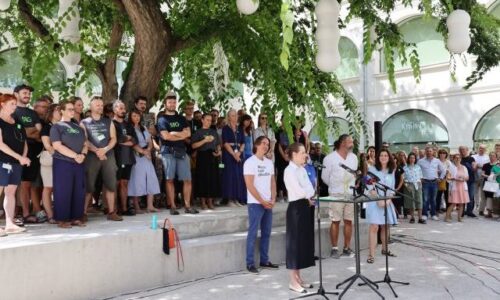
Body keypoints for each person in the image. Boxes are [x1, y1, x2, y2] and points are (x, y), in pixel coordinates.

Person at [157, 91, 198, 215]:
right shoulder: (162, 119)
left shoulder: (181, 118)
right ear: (165, 104)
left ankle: (187, 206)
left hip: (181, 151)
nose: (172, 104)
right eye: (170, 102)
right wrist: (180, 135)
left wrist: (174, 134)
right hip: (168, 152)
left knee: (187, 179)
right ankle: (173, 206)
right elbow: (166, 137)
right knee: (170, 179)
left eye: (174, 102)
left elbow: (188, 134)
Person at [81, 96, 121, 221]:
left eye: (101, 104)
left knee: (111, 184)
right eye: (97, 105)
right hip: (92, 156)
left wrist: (105, 149)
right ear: (91, 107)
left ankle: (111, 212)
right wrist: (97, 150)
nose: (100, 107)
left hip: (108, 154)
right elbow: (84, 140)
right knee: (89, 185)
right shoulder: (84, 122)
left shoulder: (108, 121)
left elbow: (113, 138)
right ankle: (83, 213)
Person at [243, 136, 278, 274]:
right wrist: (262, 201)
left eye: (268, 144)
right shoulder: (250, 162)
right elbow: (250, 185)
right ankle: (250, 263)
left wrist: (273, 198)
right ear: (256, 145)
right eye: (263, 143)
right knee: (253, 233)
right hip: (255, 203)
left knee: (267, 233)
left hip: (268, 203)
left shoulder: (269, 163)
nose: (266, 146)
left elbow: (272, 182)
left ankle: (264, 260)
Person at [284, 142, 316, 293]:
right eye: (302, 152)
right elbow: (297, 190)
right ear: (294, 155)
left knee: (303, 243)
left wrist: (309, 195)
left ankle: (299, 278)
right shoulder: (289, 171)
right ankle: (292, 281)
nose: (306, 155)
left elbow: (310, 186)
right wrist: (307, 195)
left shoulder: (302, 169)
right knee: (294, 244)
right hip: (296, 207)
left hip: (306, 205)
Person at [50, 100, 88, 228]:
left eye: (73, 109)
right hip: (63, 163)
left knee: (79, 190)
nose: (73, 111)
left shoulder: (78, 127)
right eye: (70, 109)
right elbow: (57, 146)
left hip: (79, 163)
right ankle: (63, 219)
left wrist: (82, 155)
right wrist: (75, 156)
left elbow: (85, 144)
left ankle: (76, 217)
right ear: (62, 111)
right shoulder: (56, 127)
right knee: (63, 190)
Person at [321, 134, 357, 258]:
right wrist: (335, 187)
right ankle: (334, 248)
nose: (352, 143)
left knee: (349, 221)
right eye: (350, 141)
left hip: (350, 194)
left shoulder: (354, 158)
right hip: (336, 194)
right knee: (335, 220)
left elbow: (354, 175)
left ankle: (347, 248)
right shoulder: (329, 158)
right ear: (342, 143)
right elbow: (325, 177)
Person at [0, 94, 29, 236]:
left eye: (15, 104)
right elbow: (1, 145)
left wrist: (23, 157)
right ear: (2, 104)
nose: (14, 106)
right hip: (2, 161)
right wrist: (19, 157)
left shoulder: (17, 121)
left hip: (16, 163)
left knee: (10, 192)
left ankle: (9, 223)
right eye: (12, 103)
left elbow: (24, 142)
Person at [13, 84, 42, 225]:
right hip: (17, 152)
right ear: (16, 94)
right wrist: (29, 132)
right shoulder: (13, 111)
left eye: (29, 93)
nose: (27, 95)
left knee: (26, 184)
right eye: (24, 93)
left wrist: (27, 131)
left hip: (33, 153)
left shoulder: (33, 113)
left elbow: (39, 132)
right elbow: (18, 133)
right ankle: (16, 215)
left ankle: (25, 214)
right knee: (12, 185)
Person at [366, 149, 398, 263]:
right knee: (374, 227)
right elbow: (369, 186)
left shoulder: (391, 171)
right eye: (381, 155)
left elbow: (392, 188)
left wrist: (388, 200)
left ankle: (385, 249)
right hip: (375, 202)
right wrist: (378, 200)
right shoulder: (372, 169)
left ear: (389, 157)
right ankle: (371, 255)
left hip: (387, 201)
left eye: (386, 155)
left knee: (385, 226)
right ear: (378, 157)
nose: (383, 157)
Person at [127, 109, 160, 213]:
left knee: (151, 179)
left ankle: (150, 205)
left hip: (147, 156)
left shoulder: (144, 128)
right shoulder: (130, 129)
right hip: (137, 156)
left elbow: (150, 141)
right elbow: (132, 143)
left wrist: (149, 150)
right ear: (130, 117)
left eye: (138, 116)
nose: (136, 118)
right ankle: (136, 206)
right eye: (134, 116)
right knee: (137, 180)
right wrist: (144, 152)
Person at [191, 113, 221, 210]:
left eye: (210, 120)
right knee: (202, 179)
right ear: (202, 120)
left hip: (212, 156)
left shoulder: (213, 132)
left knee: (212, 179)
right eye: (207, 120)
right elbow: (193, 146)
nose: (209, 122)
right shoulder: (198, 132)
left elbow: (218, 144)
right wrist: (204, 140)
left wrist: (218, 151)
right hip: (202, 156)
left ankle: (210, 201)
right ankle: (203, 202)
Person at [113, 100, 137, 215]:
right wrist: (126, 139)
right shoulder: (111, 124)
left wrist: (125, 139)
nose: (123, 110)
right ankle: (113, 209)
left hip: (128, 159)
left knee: (124, 183)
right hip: (116, 158)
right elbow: (115, 140)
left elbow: (134, 140)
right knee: (115, 183)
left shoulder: (128, 125)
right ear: (114, 110)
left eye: (124, 108)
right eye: (120, 108)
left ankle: (124, 209)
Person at [40, 104, 61, 224]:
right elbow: (47, 145)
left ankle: (60, 213)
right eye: (57, 110)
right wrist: (60, 155)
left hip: (63, 160)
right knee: (48, 187)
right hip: (50, 159)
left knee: (60, 188)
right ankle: (50, 215)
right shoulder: (46, 127)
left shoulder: (65, 126)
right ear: (51, 113)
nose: (60, 112)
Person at [221, 109, 246, 206]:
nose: (234, 117)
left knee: (238, 176)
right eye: (232, 115)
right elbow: (225, 143)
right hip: (229, 155)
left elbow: (243, 142)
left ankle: (237, 198)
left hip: (239, 154)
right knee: (230, 176)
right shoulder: (225, 128)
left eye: (235, 115)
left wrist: (239, 152)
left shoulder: (240, 128)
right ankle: (230, 199)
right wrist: (233, 154)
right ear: (228, 117)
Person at [417, 146, 446, 221]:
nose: (429, 152)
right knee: (425, 199)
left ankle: (433, 214)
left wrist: (440, 178)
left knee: (433, 199)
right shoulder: (420, 161)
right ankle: (424, 214)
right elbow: (417, 171)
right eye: (427, 151)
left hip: (434, 182)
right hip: (425, 182)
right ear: (425, 152)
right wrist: (420, 178)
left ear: (433, 152)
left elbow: (443, 170)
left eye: (430, 151)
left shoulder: (437, 161)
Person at [445, 154, 470, 222]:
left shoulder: (464, 167)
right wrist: (456, 179)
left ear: (461, 159)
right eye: (456, 158)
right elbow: (448, 178)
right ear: (453, 159)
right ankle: (446, 217)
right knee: (453, 203)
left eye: (459, 158)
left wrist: (463, 179)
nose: (457, 159)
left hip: (463, 187)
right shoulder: (451, 167)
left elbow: (467, 177)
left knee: (462, 203)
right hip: (455, 187)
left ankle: (459, 218)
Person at [403, 152, 423, 223]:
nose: (412, 159)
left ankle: (420, 218)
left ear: (415, 159)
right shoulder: (405, 167)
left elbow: (421, 177)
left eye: (413, 158)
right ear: (408, 158)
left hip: (418, 184)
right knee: (411, 202)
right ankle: (412, 217)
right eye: (411, 158)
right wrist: (407, 186)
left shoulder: (418, 167)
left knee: (419, 201)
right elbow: (403, 179)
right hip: (409, 184)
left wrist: (420, 185)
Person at [459, 146, 477, 217]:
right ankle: (462, 211)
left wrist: (474, 166)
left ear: (467, 150)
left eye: (463, 149)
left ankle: (469, 211)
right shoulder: (459, 158)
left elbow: (474, 169)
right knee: (462, 196)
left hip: (471, 180)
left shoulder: (471, 158)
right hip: (461, 181)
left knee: (471, 196)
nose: (462, 151)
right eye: (461, 150)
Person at [472, 144, 489, 216]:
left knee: (483, 194)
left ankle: (481, 209)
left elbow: (486, 166)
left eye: (483, 148)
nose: (481, 149)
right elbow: (473, 165)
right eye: (480, 148)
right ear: (478, 148)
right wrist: (479, 165)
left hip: (483, 178)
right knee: (474, 193)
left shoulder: (487, 157)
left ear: (485, 150)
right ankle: (476, 206)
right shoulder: (473, 156)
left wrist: (479, 165)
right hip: (474, 177)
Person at [481, 152, 499, 218]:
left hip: (497, 183)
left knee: (496, 197)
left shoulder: (498, 164)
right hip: (488, 183)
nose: (491, 157)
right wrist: (489, 176)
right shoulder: (485, 165)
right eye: (490, 156)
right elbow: (482, 174)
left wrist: (494, 176)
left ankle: (496, 212)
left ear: (496, 157)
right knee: (488, 197)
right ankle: (489, 212)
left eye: (493, 156)